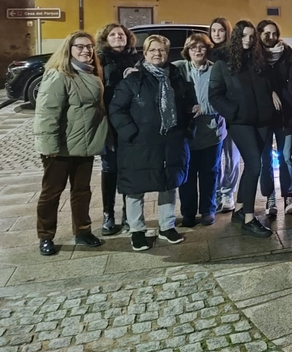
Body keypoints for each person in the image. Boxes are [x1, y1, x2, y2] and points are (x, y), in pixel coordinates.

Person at [109, 35, 195, 251]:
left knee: (168, 184)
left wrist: (186, 129)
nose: (158, 53)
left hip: (170, 142)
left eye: (162, 50)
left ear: (167, 53)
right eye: (153, 50)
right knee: (135, 187)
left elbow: (188, 105)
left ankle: (167, 226)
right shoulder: (133, 80)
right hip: (140, 143)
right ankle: (137, 229)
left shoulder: (176, 78)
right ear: (145, 53)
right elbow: (116, 109)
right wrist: (130, 133)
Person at [34, 31, 108, 256]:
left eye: (89, 47)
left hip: (84, 145)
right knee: (51, 193)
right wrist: (49, 148)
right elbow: (47, 113)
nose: (86, 50)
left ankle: (83, 230)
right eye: (80, 47)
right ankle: (46, 236)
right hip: (61, 148)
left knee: (81, 191)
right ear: (69, 49)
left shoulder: (92, 74)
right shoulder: (59, 75)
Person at [209, 21, 275, 237]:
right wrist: (234, 112)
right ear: (236, 37)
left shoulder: (258, 61)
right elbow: (215, 95)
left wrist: (270, 98)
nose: (248, 40)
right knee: (255, 164)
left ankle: (239, 209)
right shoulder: (223, 63)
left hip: (263, 120)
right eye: (244, 36)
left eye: (251, 36)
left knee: (252, 166)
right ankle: (248, 218)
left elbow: (268, 85)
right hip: (241, 122)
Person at [174, 33, 226, 227]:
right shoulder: (179, 69)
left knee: (210, 173)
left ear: (207, 49)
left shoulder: (216, 70)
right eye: (193, 47)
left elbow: (226, 98)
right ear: (187, 51)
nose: (197, 50)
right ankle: (188, 213)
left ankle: (208, 209)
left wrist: (205, 109)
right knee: (186, 174)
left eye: (201, 47)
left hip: (212, 132)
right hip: (187, 133)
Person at [96, 23, 138, 236]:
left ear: (128, 38)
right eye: (112, 34)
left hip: (132, 119)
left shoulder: (135, 57)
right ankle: (108, 214)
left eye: (121, 34)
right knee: (110, 167)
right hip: (110, 120)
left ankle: (127, 212)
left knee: (128, 167)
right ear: (106, 39)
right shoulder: (100, 59)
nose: (117, 37)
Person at [258, 19, 292, 215]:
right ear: (260, 34)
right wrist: (270, 92)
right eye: (267, 33)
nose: (271, 37)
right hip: (263, 115)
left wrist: (291, 101)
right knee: (265, 158)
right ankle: (270, 198)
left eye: (274, 33)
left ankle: (289, 196)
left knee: (285, 157)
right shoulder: (255, 55)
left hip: (285, 113)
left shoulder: (286, 52)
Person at [208, 17, 238, 212]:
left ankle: (228, 192)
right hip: (213, 111)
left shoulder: (233, 54)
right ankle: (217, 192)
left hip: (231, 110)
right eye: (214, 30)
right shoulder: (206, 52)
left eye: (221, 30)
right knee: (215, 157)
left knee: (232, 155)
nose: (217, 34)